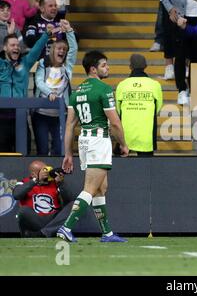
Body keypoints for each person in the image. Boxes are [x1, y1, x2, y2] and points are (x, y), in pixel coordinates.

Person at [57, 50, 129, 243]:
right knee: (90, 188)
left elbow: (70, 125)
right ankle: (66, 227)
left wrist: (68, 153)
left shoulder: (77, 91)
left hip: (84, 141)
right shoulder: (104, 89)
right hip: (98, 140)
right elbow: (115, 122)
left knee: (100, 188)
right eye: (104, 65)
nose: (108, 68)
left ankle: (107, 233)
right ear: (93, 69)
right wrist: (123, 144)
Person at [0, 28, 51, 153]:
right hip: (1, 120)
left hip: (21, 118)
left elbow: (36, 50)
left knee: (23, 156)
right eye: (12, 45)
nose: (16, 47)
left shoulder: (26, 62)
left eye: (18, 45)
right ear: (5, 48)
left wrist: (46, 35)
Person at [32, 19, 77, 156]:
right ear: (52, 50)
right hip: (41, 115)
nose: (62, 51)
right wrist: (49, 92)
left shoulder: (67, 68)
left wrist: (69, 31)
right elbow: (39, 82)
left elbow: (73, 49)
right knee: (43, 150)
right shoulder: (42, 64)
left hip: (60, 116)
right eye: (59, 48)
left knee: (59, 150)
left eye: (64, 49)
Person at [13, 160, 76, 237]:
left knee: (74, 205)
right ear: (33, 174)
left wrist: (61, 183)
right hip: (35, 219)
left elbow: (69, 200)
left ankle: (44, 233)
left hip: (53, 220)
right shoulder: (24, 182)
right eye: (43, 171)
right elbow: (16, 195)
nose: (46, 174)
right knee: (23, 211)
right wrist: (36, 181)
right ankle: (45, 232)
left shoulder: (55, 183)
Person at [116, 54, 163, 156]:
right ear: (145, 66)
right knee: (147, 170)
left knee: (121, 169)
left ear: (130, 66)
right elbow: (158, 107)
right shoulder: (155, 84)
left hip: (125, 135)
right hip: (146, 136)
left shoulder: (122, 84)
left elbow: (118, 109)